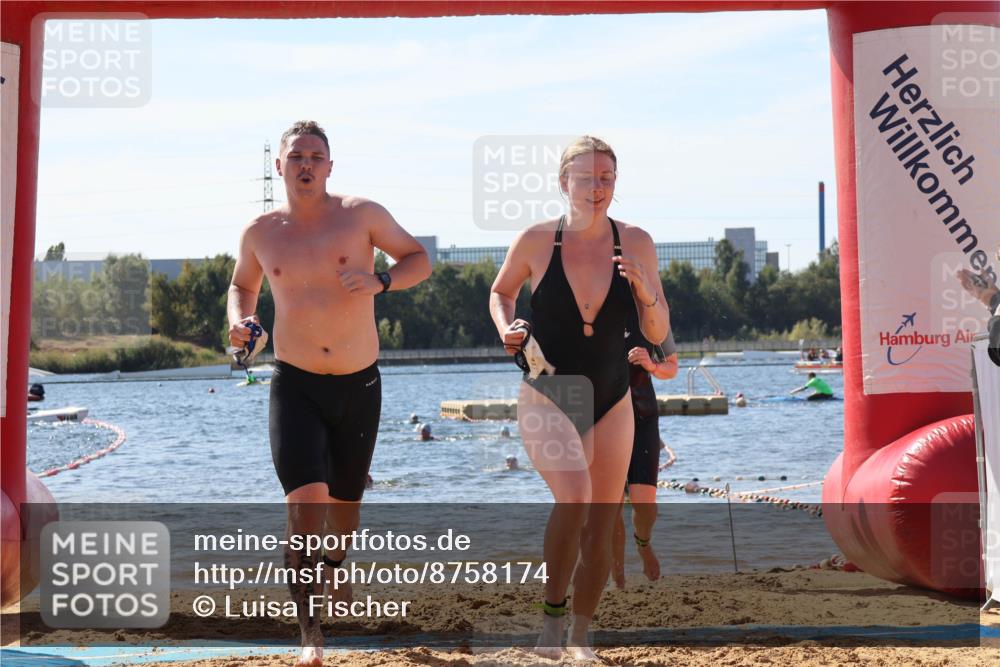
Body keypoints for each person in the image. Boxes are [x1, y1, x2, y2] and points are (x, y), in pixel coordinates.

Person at [227, 120, 431, 667]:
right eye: (297, 156)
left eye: (317, 155)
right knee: (305, 506)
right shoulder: (260, 230)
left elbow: (418, 259)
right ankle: (310, 635)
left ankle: (336, 567)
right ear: (280, 167)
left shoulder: (361, 215)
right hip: (293, 385)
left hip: (359, 385)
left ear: (330, 166)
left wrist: (382, 282)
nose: (307, 163)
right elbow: (242, 285)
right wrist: (240, 321)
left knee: (343, 514)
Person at [489, 136, 669, 661]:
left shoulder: (636, 242)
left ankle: (580, 636)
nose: (597, 189)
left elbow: (657, 329)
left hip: (612, 397)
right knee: (573, 499)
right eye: (587, 178)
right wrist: (508, 328)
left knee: (601, 519)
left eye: (607, 179)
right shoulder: (538, 240)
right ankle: (550, 624)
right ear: (563, 182)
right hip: (550, 389)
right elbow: (501, 292)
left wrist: (645, 292)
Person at [611, 307, 678, 588]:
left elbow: (672, 367)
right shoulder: (588, 306)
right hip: (603, 418)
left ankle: (643, 544)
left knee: (645, 505)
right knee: (609, 505)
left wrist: (651, 365)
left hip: (642, 415)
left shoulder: (651, 312)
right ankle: (617, 573)